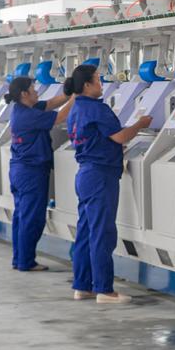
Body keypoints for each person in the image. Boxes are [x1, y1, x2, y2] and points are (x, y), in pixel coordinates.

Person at [64, 64, 150, 303]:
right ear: (87, 85)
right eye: (98, 80)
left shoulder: (75, 109)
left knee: (85, 231)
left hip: (85, 174)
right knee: (102, 233)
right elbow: (120, 136)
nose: (101, 85)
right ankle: (104, 289)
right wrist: (141, 124)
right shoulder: (97, 108)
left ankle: (82, 286)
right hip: (100, 175)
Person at [5, 77, 75, 272]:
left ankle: (19, 259)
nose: (36, 91)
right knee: (32, 218)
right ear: (24, 94)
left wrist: (67, 94)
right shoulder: (28, 116)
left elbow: (50, 104)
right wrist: (77, 97)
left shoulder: (22, 109)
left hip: (20, 170)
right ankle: (26, 262)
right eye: (33, 89)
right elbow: (59, 117)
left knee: (21, 216)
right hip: (31, 172)